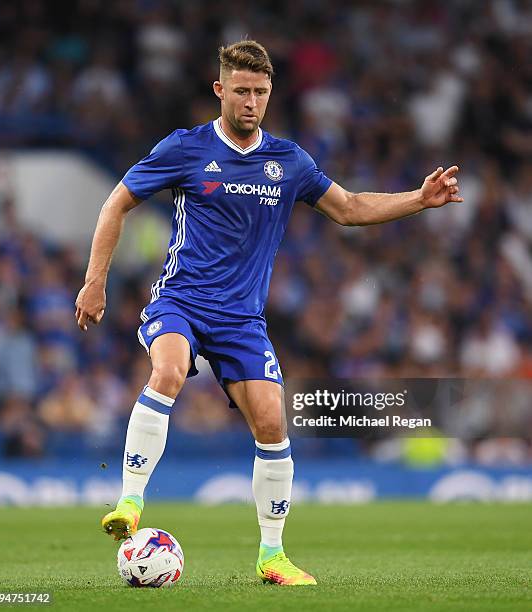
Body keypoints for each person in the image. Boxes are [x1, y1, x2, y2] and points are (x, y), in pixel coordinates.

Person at [75, 40, 463, 586]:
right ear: (220, 91)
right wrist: (96, 282)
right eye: (240, 91)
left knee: (274, 421)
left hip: (242, 320)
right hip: (181, 301)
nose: (250, 101)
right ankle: (130, 504)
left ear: (271, 92)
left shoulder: (289, 161)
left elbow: (348, 209)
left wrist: (419, 200)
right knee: (166, 370)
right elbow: (116, 201)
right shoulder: (186, 148)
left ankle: (272, 556)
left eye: (259, 92)